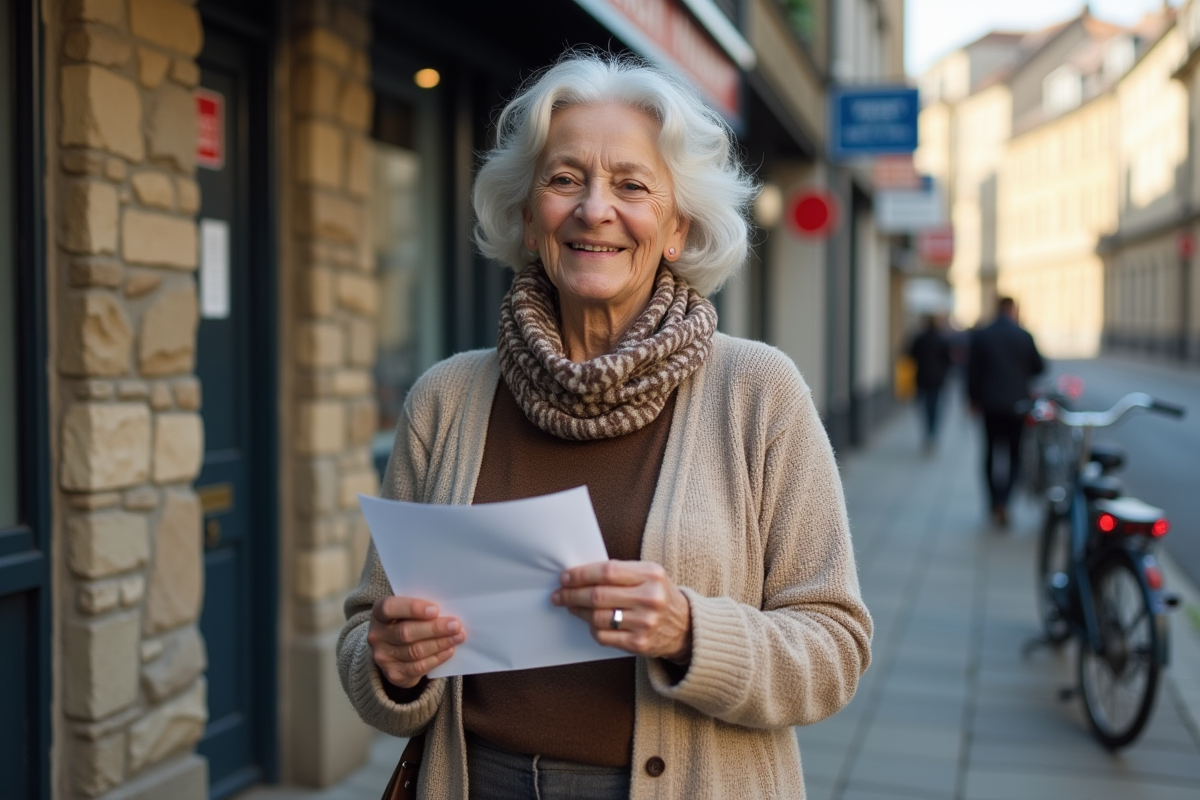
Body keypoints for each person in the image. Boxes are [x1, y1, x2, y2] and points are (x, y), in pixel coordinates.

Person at [336, 52, 872, 800]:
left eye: (632, 185)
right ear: (528, 218)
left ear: (677, 227)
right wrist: (390, 663)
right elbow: (367, 637)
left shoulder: (758, 392)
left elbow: (836, 649)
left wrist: (690, 630)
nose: (595, 209)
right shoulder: (446, 398)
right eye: (564, 180)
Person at [967, 296, 1045, 527]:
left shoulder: (983, 335)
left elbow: (972, 372)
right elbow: (1039, 367)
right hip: (1017, 406)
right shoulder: (1023, 335)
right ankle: (1005, 501)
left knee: (990, 452)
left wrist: (972, 400)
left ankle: (993, 501)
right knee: (1015, 456)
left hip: (989, 405)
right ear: (1014, 310)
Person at [906, 314, 952, 453]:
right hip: (937, 379)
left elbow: (911, 355)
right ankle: (932, 433)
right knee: (935, 406)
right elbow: (948, 360)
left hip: (922, 378)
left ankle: (928, 432)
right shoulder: (942, 339)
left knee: (925, 407)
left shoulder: (920, 338)